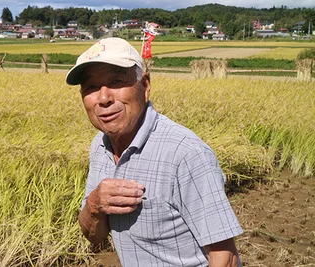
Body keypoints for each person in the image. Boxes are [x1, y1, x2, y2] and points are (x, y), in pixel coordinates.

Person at [65, 37, 243, 267]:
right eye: (91, 87)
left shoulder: (185, 154)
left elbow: (225, 257)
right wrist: (94, 205)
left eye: (117, 81)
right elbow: (94, 236)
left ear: (145, 87)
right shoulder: (99, 146)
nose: (104, 98)